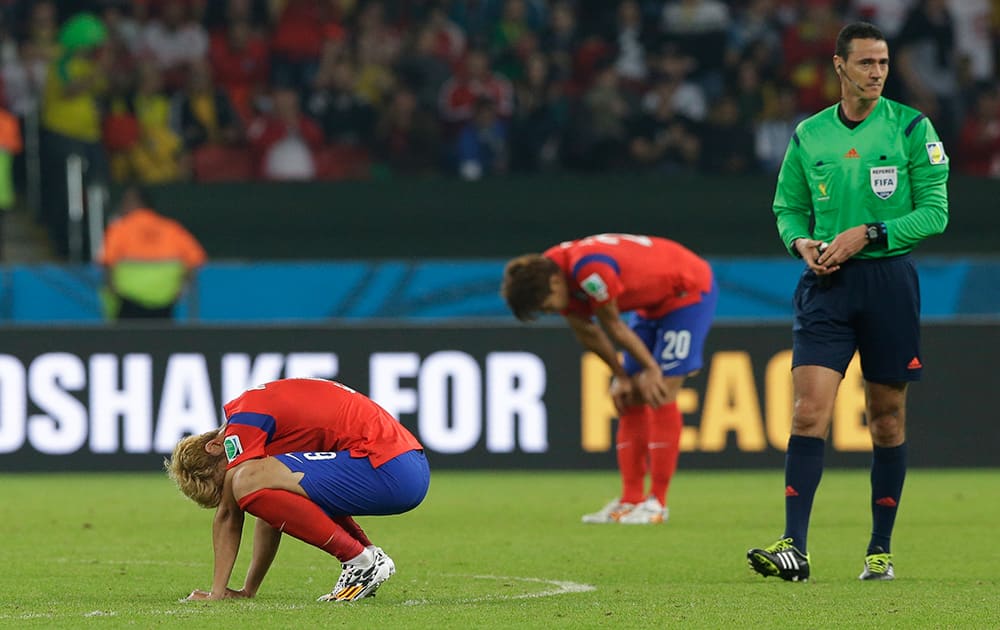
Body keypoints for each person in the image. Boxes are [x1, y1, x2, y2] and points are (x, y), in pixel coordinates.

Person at [746, 22, 949, 583]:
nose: (877, 73)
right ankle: (794, 547)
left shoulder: (912, 127)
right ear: (839, 66)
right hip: (826, 288)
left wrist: (870, 233)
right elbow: (786, 208)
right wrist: (800, 242)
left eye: (883, 63)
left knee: (885, 419)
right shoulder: (809, 135)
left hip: (888, 283)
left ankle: (879, 549)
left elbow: (936, 213)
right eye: (865, 63)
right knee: (809, 412)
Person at [501, 233, 718, 524]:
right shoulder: (549, 269)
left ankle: (657, 503)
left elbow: (612, 326)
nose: (547, 311)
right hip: (650, 305)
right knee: (627, 396)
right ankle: (630, 500)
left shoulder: (589, 270)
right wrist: (621, 376)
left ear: (554, 284)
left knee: (660, 390)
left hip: (686, 291)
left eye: (545, 305)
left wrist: (652, 369)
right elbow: (587, 332)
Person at [165, 377, 430, 602]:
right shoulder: (262, 431)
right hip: (405, 467)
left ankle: (359, 560)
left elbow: (227, 513)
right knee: (256, 483)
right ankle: (367, 558)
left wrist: (216, 593)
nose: (229, 494)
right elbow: (271, 513)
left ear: (214, 446)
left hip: (389, 466)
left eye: (221, 483)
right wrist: (248, 591)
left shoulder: (243, 422)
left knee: (245, 480)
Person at [97, 187, 206, 320]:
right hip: (165, 302)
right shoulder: (172, 228)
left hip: (127, 303)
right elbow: (196, 259)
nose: (122, 206)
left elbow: (107, 263)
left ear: (135, 202)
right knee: (161, 340)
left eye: (125, 201)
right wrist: (181, 288)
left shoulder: (119, 229)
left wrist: (112, 290)